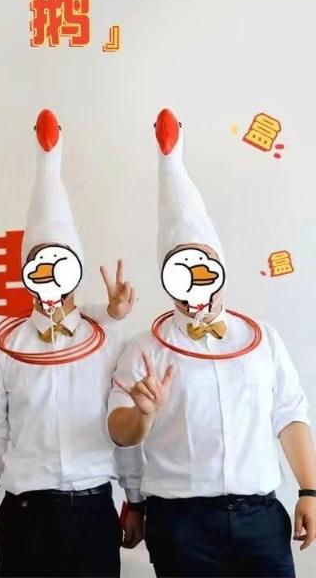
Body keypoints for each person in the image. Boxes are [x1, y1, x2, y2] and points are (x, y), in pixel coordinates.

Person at [107, 108, 316, 577]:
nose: (195, 285)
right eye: (181, 273)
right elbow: (119, 432)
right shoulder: (143, 348)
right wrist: (143, 416)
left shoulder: (262, 339)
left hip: (261, 516)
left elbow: (290, 412)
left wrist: (309, 489)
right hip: (180, 522)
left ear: (220, 268)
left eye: (203, 269)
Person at [0, 109, 142, 578]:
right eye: (39, 267)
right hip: (24, 513)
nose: (50, 278)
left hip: (94, 510)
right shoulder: (5, 345)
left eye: (59, 266)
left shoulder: (107, 338)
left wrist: (135, 498)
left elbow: (123, 424)